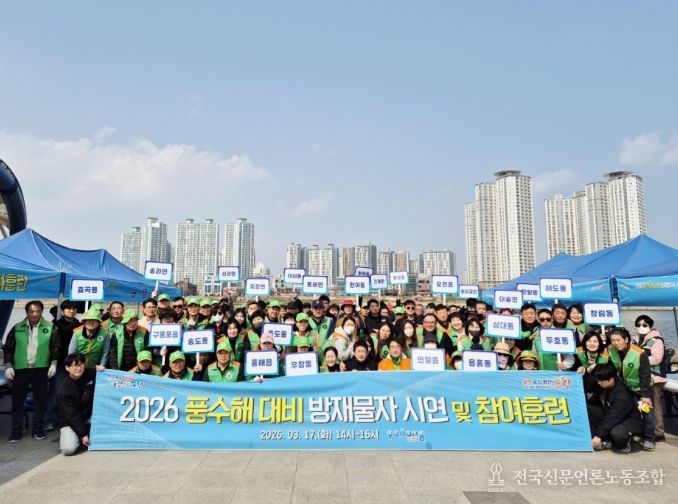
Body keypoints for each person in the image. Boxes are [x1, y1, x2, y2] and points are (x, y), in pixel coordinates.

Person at [3, 300, 60, 442]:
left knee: (41, 401)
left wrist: (53, 364)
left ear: (41, 312)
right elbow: (8, 348)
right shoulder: (17, 328)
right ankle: (16, 431)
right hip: (20, 369)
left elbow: (55, 348)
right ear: (27, 312)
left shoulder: (50, 327)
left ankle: (38, 429)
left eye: (37, 311)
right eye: (31, 311)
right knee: (17, 402)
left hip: (41, 369)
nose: (34, 314)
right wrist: (8, 366)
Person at [607, 328, 656, 451]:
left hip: (641, 389)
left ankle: (649, 439)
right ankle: (629, 436)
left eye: (618, 340)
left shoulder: (639, 353)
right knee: (627, 412)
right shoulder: (611, 350)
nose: (615, 343)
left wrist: (645, 395)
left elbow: (645, 374)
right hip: (625, 388)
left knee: (647, 414)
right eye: (612, 340)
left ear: (626, 339)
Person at [588, 363, 644, 454]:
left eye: (601, 381)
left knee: (617, 433)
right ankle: (606, 440)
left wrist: (599, 435)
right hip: (613, 415)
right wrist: (586, 372)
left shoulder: (622, 395)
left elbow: (612, 418)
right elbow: (589, 386)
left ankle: (624, 445)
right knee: (589, 410)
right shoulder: (607, 385)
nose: (599, 383)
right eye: (598, 380)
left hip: (629, 422)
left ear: (611, 380)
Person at [58, 353, 104, 455]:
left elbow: (105, 375)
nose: (79, 368)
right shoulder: (64, 389)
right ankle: (80, 435)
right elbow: (72, 415)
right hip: (70, 421)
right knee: (68, 450)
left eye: (81, 365)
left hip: (90, 416)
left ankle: (87, 433)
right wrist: (83, 434)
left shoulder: (90, 373)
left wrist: (102, 370)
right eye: (75, 366)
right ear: (67, 368)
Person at [46, 299, 81, 430]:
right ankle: (50, 419)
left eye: (74, 309)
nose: (71, 311)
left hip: (76, 363)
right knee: (56, 392)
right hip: (60, 363)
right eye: (68, 309)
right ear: (62, 311)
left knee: (75, 393)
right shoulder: (56, 324)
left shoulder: (80, 324)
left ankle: (70, 420)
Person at [633, 315, 667, 440]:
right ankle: (646, 430)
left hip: (654, 378)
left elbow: (657, 358)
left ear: (650, 326)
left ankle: (659, 432)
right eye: (638, 325)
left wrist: (640, 360)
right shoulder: (635, 340)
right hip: (639, 377)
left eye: (644, 325)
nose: (641, 327)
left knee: (655, 405)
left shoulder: (657, 340)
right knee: (643, 405)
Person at [576, 329, 609, 403]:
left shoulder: (605, 355)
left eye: (595, 341)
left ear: (599, 343)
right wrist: (585, 370)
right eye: (589, 341)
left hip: (598, 388)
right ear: (585, 342)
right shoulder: (578, 352)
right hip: (580, 387)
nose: (592, 344)